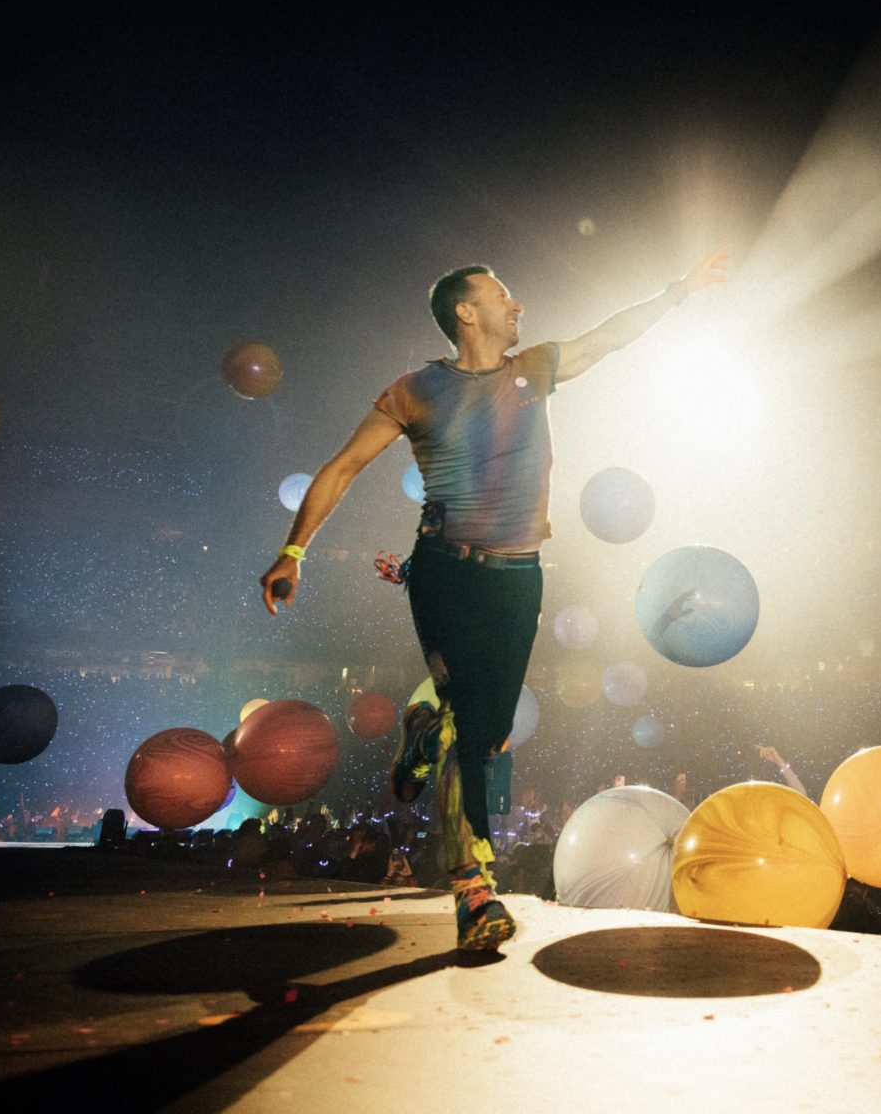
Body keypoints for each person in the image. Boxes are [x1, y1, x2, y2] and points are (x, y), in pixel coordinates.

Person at [259, 250, 731, 952]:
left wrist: (678, 291)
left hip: (521, 575)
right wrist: (293, 551)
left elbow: (608, 337)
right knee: (476, 739)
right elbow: (342, 467)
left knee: (485, 730)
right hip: (446, 570)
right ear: (466, 311)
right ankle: (474, 889)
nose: (518, 307)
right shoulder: (415, 390)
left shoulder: (533, 369)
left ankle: (425, 728)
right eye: (503, 296)